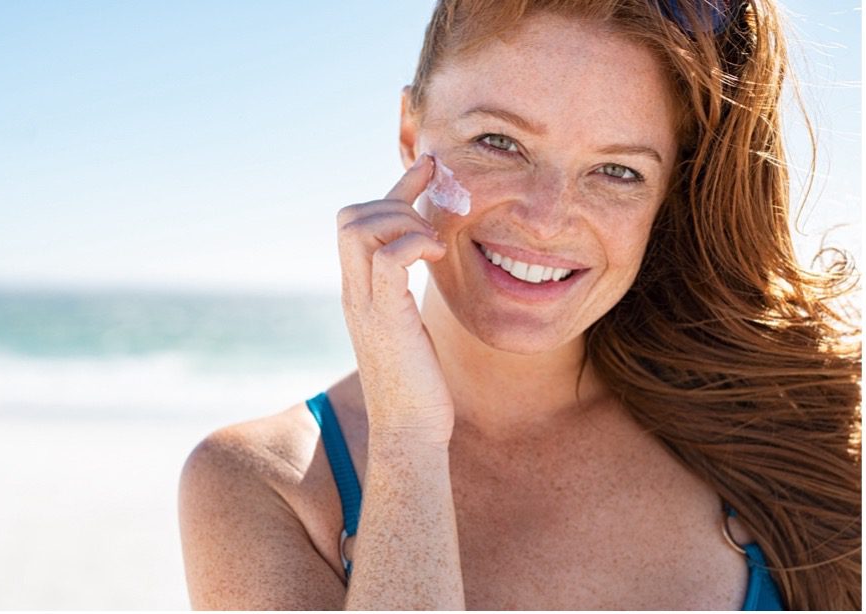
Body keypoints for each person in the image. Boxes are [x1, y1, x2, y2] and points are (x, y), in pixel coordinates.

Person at [178, 0, 861, 609]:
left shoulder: (803, 437)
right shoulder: (262, 485)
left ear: (666, 198)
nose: (544, 218)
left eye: (617, 171)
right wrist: (407, 439)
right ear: (411, 133)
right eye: (498, 143)